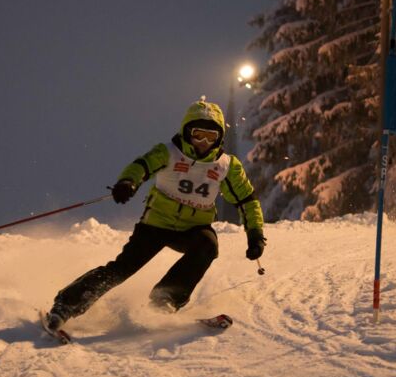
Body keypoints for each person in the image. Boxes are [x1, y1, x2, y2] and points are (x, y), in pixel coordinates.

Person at [45, 96, 265, 332]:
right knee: (123, 268)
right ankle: (66, 305)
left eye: (210, 137)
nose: (203, 142)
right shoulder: (168, 152)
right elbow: (142, 166)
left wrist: (255, 234)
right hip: (155, 225)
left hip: (193, 228)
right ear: (186, 132)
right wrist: (128, 182)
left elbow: (247, 200)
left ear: (219, 138)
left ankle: (165, 300)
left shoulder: (226, 166)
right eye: (198, 135)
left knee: (208, 246)